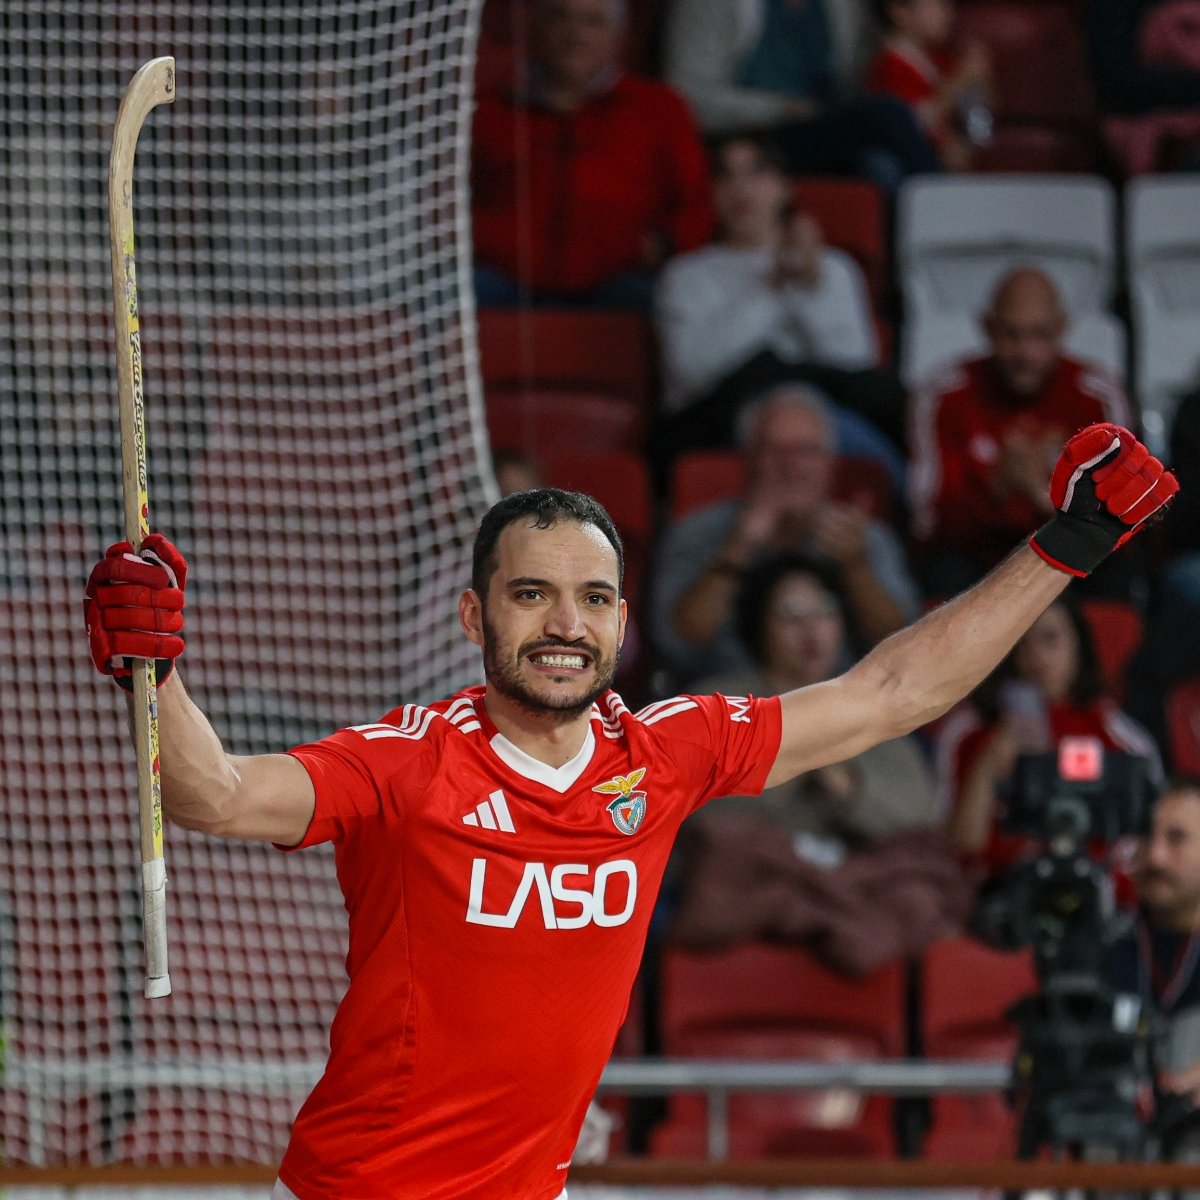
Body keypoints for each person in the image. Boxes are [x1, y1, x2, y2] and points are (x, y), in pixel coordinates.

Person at [83, 421, 1176, 1198]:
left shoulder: (665, 753)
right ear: (474, 614)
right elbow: (214, 795)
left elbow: (895, 693)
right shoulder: (404, 762)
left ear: (620, 621)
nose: (565, 623)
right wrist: (155, 667)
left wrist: (1064, 549)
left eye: (593, 597)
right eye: (531, 594)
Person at [654, 133, 908, 459]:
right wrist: (775, 287)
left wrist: (809, 284)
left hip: (829, 413)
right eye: (725, 175)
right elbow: (692, 374)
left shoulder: (832, 267)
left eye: (757, 172)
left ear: (785, 188)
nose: (740, 188)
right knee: (792, 425)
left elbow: (855, 363)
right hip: (723, 423)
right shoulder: (686, 275)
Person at [650, 386, 920, 684]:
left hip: (841, 699)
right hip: (727, 701)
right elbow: (675, 644)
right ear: (748, 460)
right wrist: (737, 549)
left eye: (807, 451)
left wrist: (856, 567)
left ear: (830, 462)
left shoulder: (865, 539)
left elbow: (904, 646)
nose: (792, 467)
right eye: (774, 451)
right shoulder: (697, 532)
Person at [471, 0, 713, 311]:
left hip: (619, 280)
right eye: (561, 18)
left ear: (618, 36)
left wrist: (666, 245)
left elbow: (696, 204)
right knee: (432, 303)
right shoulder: (488, 108)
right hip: (502, 277)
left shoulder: (660, 108)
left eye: (594, 22)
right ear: (536, 27)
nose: (576, 35)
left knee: (681, 307)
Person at [908, 266, 1133, 599]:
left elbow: (1122, 516)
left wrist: (1042, 495)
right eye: (1011, 335)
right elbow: (928, 526)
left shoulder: (1097, 396)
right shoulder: (946, 395)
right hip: (980, 561)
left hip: (1069, 564)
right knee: (944, 571)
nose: (1026, 353)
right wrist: (996, 489)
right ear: (987, 327)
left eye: (1039, 335)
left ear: (1061, 329)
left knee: (1112, 571)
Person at [938, 594, 1163, 890]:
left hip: (1097, 900)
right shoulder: (969, 730)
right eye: (1021, 642)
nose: (1036, 656)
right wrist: (987, 768)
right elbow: (956, 850)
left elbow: (1145, 850)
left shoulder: (1121, 738)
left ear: (1079, 644)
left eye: (1050, 639)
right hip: (992, 901)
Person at [663, 0, 940, 191]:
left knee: (882, 167)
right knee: (885, 114)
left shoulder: (842, 8)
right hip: (753, 136)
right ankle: (951, 194)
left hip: (823, 129)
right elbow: (687, 99)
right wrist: (779, 109)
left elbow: (857, 80)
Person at [1104, 779, 1200, 1147]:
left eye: (1176, 839)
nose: (1156, 856)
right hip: (1119, 1159)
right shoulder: (1103, 948)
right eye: (1146, 836)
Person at [865, 0, 993, 170]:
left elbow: (984, 115)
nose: (948, 13)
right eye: (936, 4)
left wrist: (981, 77)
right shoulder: (889, 65)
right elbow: (917, 123)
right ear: (899, 11)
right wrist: (961, 80)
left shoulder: (940, 59)